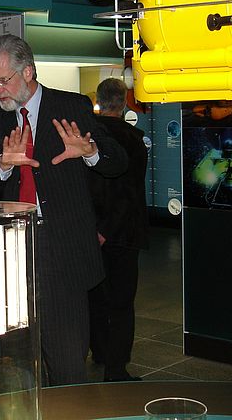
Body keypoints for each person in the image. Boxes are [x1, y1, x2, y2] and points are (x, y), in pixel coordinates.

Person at [0, 35, 127, 386]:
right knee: (18, 361)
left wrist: (89, 152)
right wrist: (2, 167)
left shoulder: (72, 108)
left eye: (3, 80)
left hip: (62, 250)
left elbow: (118, 163)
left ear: (28, 71)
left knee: (67, 360)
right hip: (8, 251)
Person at [87, 78, 148, 382]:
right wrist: (109, 229)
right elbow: (130, 194)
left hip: (91, 232)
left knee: (96, 295)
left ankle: (99, 351)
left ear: (98, 100)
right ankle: (116, 366)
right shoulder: (133, 141)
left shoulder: (87, 137)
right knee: (122, 301)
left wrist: (95, 229)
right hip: (123, 234)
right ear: (123, 102)